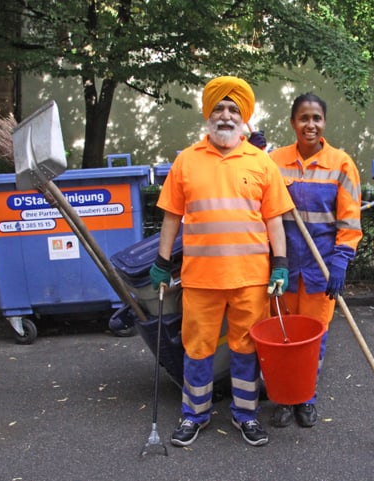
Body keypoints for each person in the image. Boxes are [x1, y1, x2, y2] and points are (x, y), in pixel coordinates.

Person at [149, 76, 295, 447]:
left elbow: (274, 219)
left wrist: (280, 264)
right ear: (208, 115)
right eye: (219, 109)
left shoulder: (261, 162)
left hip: (250, 279)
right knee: (197, 349)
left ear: (244, 118)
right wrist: (162, 262)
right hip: (200, 279)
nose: (226, 116)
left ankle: (245, 415)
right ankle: (194, 415)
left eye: (233, 109)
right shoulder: (186, 162)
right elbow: (170, 217)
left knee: (247, 349)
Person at [268, 92, 362, 428]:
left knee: (313, 341)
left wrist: (341, 261)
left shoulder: (341, 164)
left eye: (316, 118)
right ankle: (282, 397)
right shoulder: (274, 161)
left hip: (321, 270)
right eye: (304, 118)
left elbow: (350, 223)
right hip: (283, 268)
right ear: (293, 122)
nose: (310, 124)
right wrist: (252, 150)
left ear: (324, 123)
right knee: (282, 337)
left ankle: (305, 398)